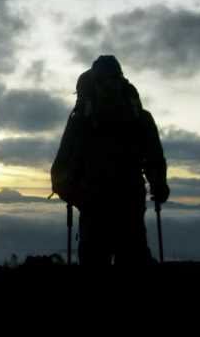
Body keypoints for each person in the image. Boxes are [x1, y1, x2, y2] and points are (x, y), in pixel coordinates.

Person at [51, 55, 169, 265]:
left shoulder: (81, 120)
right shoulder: (139, 117)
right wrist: (159, 185)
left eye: (113, 79)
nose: (110, 85)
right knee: (132, 258)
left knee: (96, 260)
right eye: (108, 79)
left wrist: (78, 197)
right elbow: (154, 158)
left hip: (98, 210)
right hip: (127, 206)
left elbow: (60, 170)